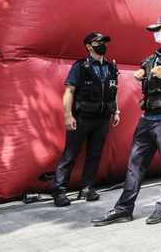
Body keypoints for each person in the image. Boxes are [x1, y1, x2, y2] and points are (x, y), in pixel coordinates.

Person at [93, 16, 161, 226]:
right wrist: (141, 76)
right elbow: (151, 79)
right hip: (147, 119)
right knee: (134, 164)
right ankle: (124, 209)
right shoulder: (153, 57)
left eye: (158, 29)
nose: (154, 33)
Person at [51, 33, 120, 207]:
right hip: (81, 118)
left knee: (95, 155)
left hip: (102, 119)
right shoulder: (79, 66)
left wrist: (116, 111)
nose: (103, 44)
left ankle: (87, 187)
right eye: (98, 42)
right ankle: (59, 191)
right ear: (89, 46)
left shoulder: (111, 67)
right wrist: (68, 115)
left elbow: (113, 91)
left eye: (104, 42)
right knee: (70, 155)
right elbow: (69, 91)